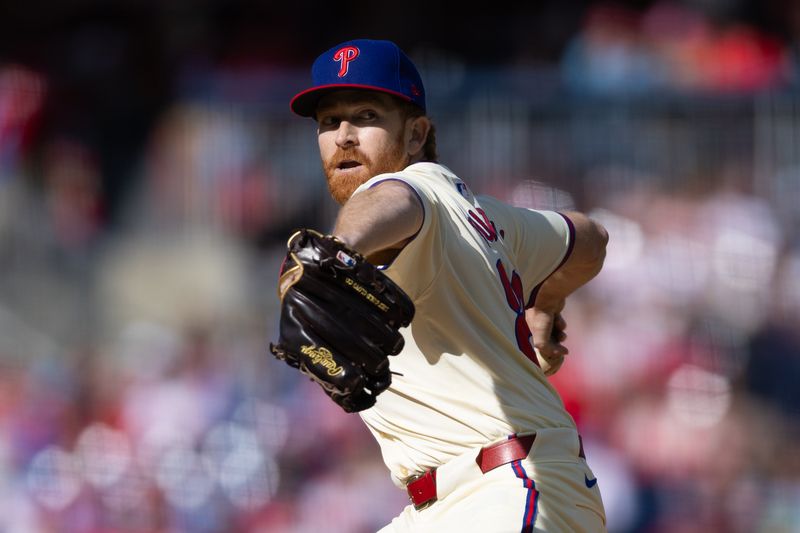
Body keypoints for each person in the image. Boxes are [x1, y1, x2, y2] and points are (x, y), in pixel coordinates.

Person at [289, 38, 609, 532]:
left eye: (367, 115)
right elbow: (590, 239)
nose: (345, 135)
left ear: (416, 135)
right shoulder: (487, 219)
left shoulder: (412, 187)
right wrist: (546, 301)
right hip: (448, 505)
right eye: (329, 122)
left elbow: (392, 199)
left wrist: (339, 248)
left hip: (508, 489)